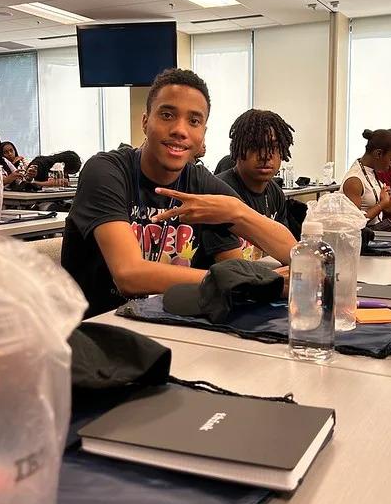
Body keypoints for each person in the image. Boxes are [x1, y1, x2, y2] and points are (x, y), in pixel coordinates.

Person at [61, 68, 296, 317]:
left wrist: (236, 211)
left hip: (167, 323)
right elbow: (128, 275)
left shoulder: (199, 181)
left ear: (202, 134)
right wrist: (247, 282)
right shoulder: (106, 171)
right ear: (145, 122)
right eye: (167, 115)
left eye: (194, 121)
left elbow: (293, 253)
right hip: (96, 330)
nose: (180, 130)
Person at [217, 109, 294, 258]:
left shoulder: (275, 192)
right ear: (237, 150)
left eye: (274, 147)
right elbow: (229, 268)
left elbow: (286, 251)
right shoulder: (220, 191)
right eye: (255, 146)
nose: (265, 156)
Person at [341, 129, 391, 222]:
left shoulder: (371, 172)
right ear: (378, 154)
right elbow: (355, 222)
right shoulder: (354, 180)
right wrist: (382, 203)